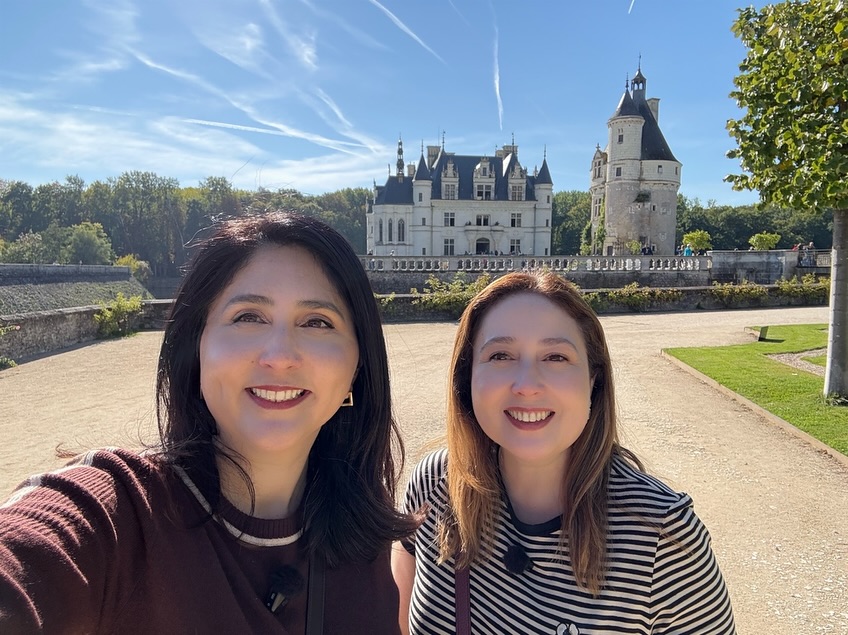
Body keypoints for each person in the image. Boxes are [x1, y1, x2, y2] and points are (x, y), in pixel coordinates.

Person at [0, 212, 416, 634]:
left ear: (357, 367)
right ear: (195, 346)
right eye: (248, 316)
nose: (280, 355)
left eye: (317, 322)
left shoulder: (362, 527)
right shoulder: (118, 516)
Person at [392, 272, 735, 634]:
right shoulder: (435, 485)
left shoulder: (661, 537)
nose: (526, 386)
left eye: (555, 357)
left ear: (593, 382)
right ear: (467, 378)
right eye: (500, 355)